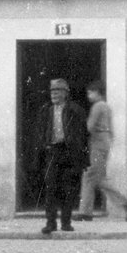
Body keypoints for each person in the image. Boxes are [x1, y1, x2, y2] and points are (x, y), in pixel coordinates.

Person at [76, 81, 127, 222]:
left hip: (97, 144)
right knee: (94, 177)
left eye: (90, 92)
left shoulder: (97, 106)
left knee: (91, 176)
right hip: (104, 143)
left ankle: (126, 203)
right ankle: (86, 211)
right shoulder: (107, 107)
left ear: (97, 92)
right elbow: (111, 130)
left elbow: (89, 127)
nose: (88, 96)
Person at [36, 79, 89, 235]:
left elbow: (84, 136)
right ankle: (50, 223)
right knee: (51, 188)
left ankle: (66, 222)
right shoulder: (45, 110)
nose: (54, 94)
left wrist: (84, 159)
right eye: (52, 91)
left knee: (69, 189)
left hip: (70, 152)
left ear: (66, 93)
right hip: (52, 151)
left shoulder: (75, 110)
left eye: (58, 91)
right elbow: (40, 132)